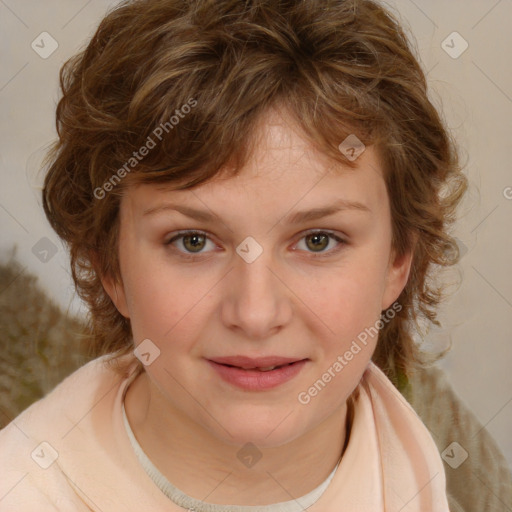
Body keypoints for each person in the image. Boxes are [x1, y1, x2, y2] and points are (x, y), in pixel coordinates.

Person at [0, 0, 476, 510]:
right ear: (109, 267)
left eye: (318, 240)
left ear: (398, 259)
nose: (254, 314)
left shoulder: (434, 462)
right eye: (193, 241)